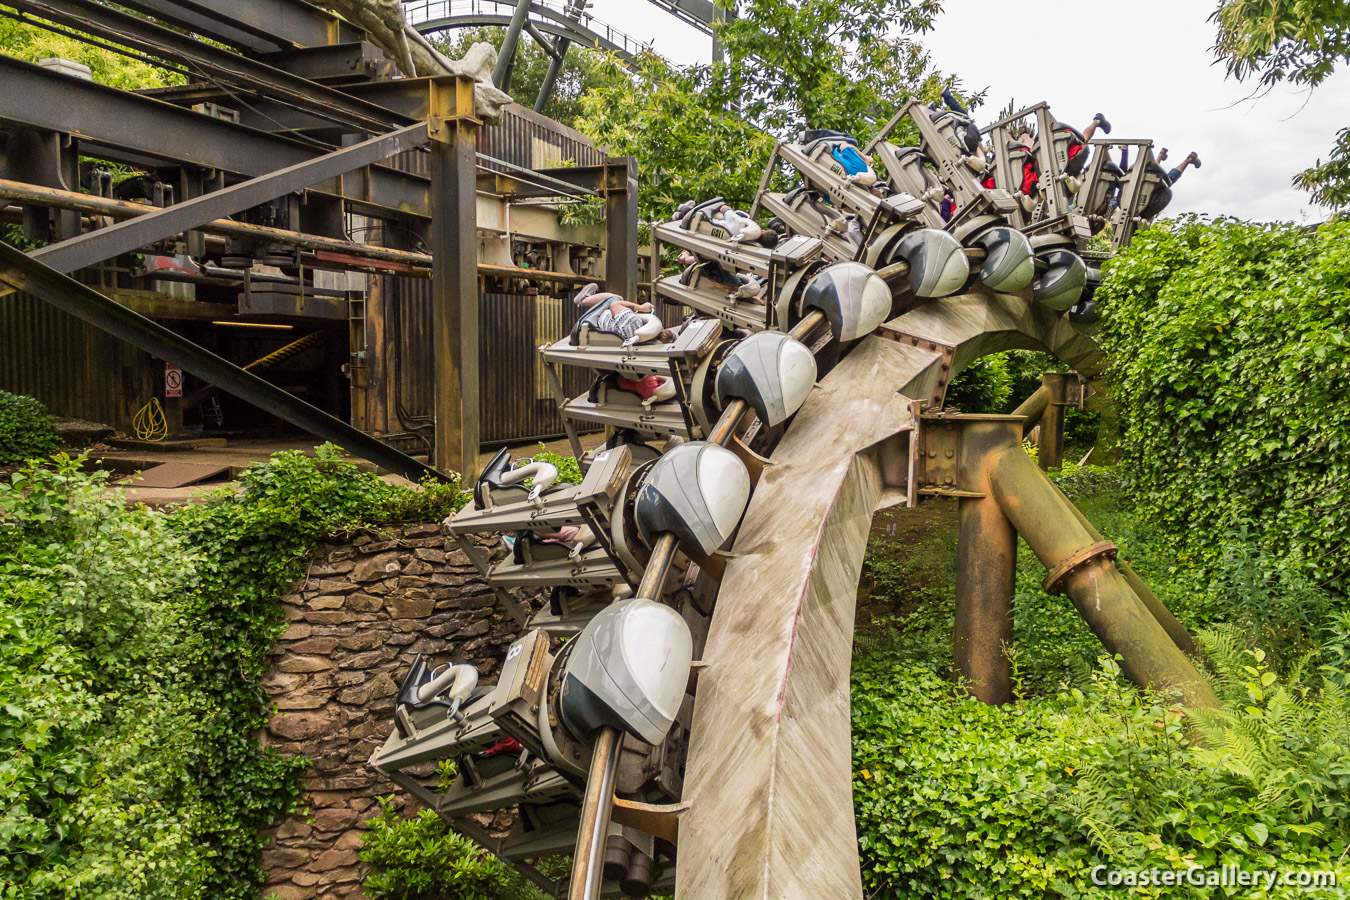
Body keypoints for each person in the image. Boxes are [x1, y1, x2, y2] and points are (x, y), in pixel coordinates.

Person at [574, 282, 663, 345]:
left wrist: (641, 308)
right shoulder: (640, 340)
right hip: (608, 327)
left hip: (594, 319)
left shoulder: (634, 322)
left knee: (616, 298)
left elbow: (614, 305)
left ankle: (583, 300)